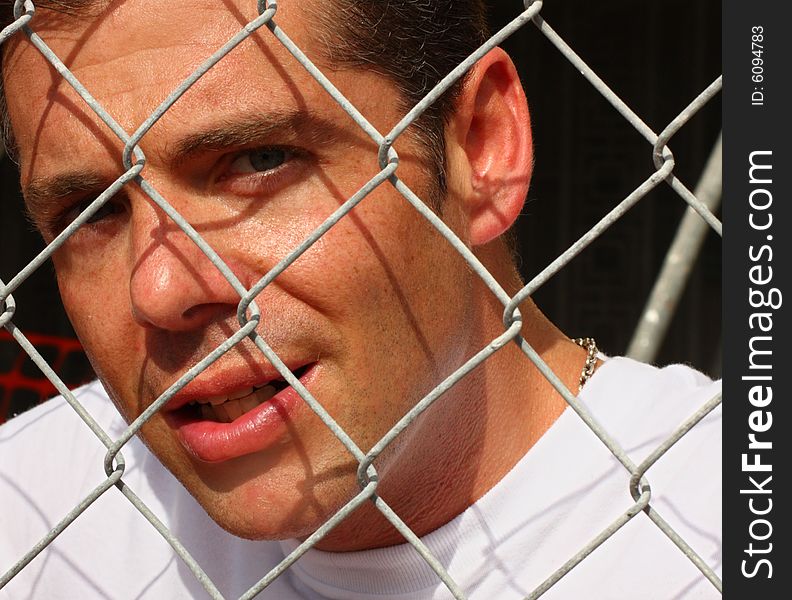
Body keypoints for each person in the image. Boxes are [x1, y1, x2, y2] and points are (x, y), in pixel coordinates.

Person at [0, 0, 721, 598]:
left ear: (481, 145)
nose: (157, 291)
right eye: (91, 210)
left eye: (258, 161)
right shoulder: (28, 508)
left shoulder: (720, 528)